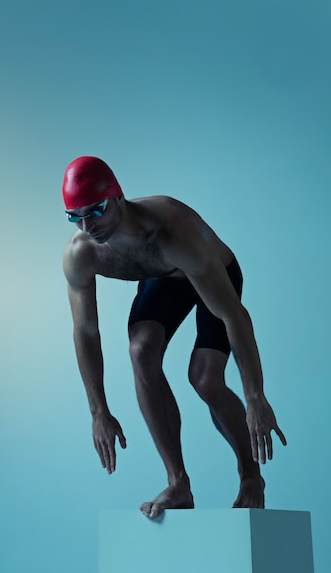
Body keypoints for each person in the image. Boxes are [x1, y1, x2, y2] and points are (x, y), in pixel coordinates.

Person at [62, 155, 286, 520]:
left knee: (205, 380)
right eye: (76, 216)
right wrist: (98, 411)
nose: (88, 225)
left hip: (211, 273)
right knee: (140, 350)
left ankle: (250, 475)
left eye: (96, 210)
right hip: (163, 279)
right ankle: (178, 483)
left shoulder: (170, 231)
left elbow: (234, 316)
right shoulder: (80, 253)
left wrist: (255, 396)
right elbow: (85, 331)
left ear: (118, 197)